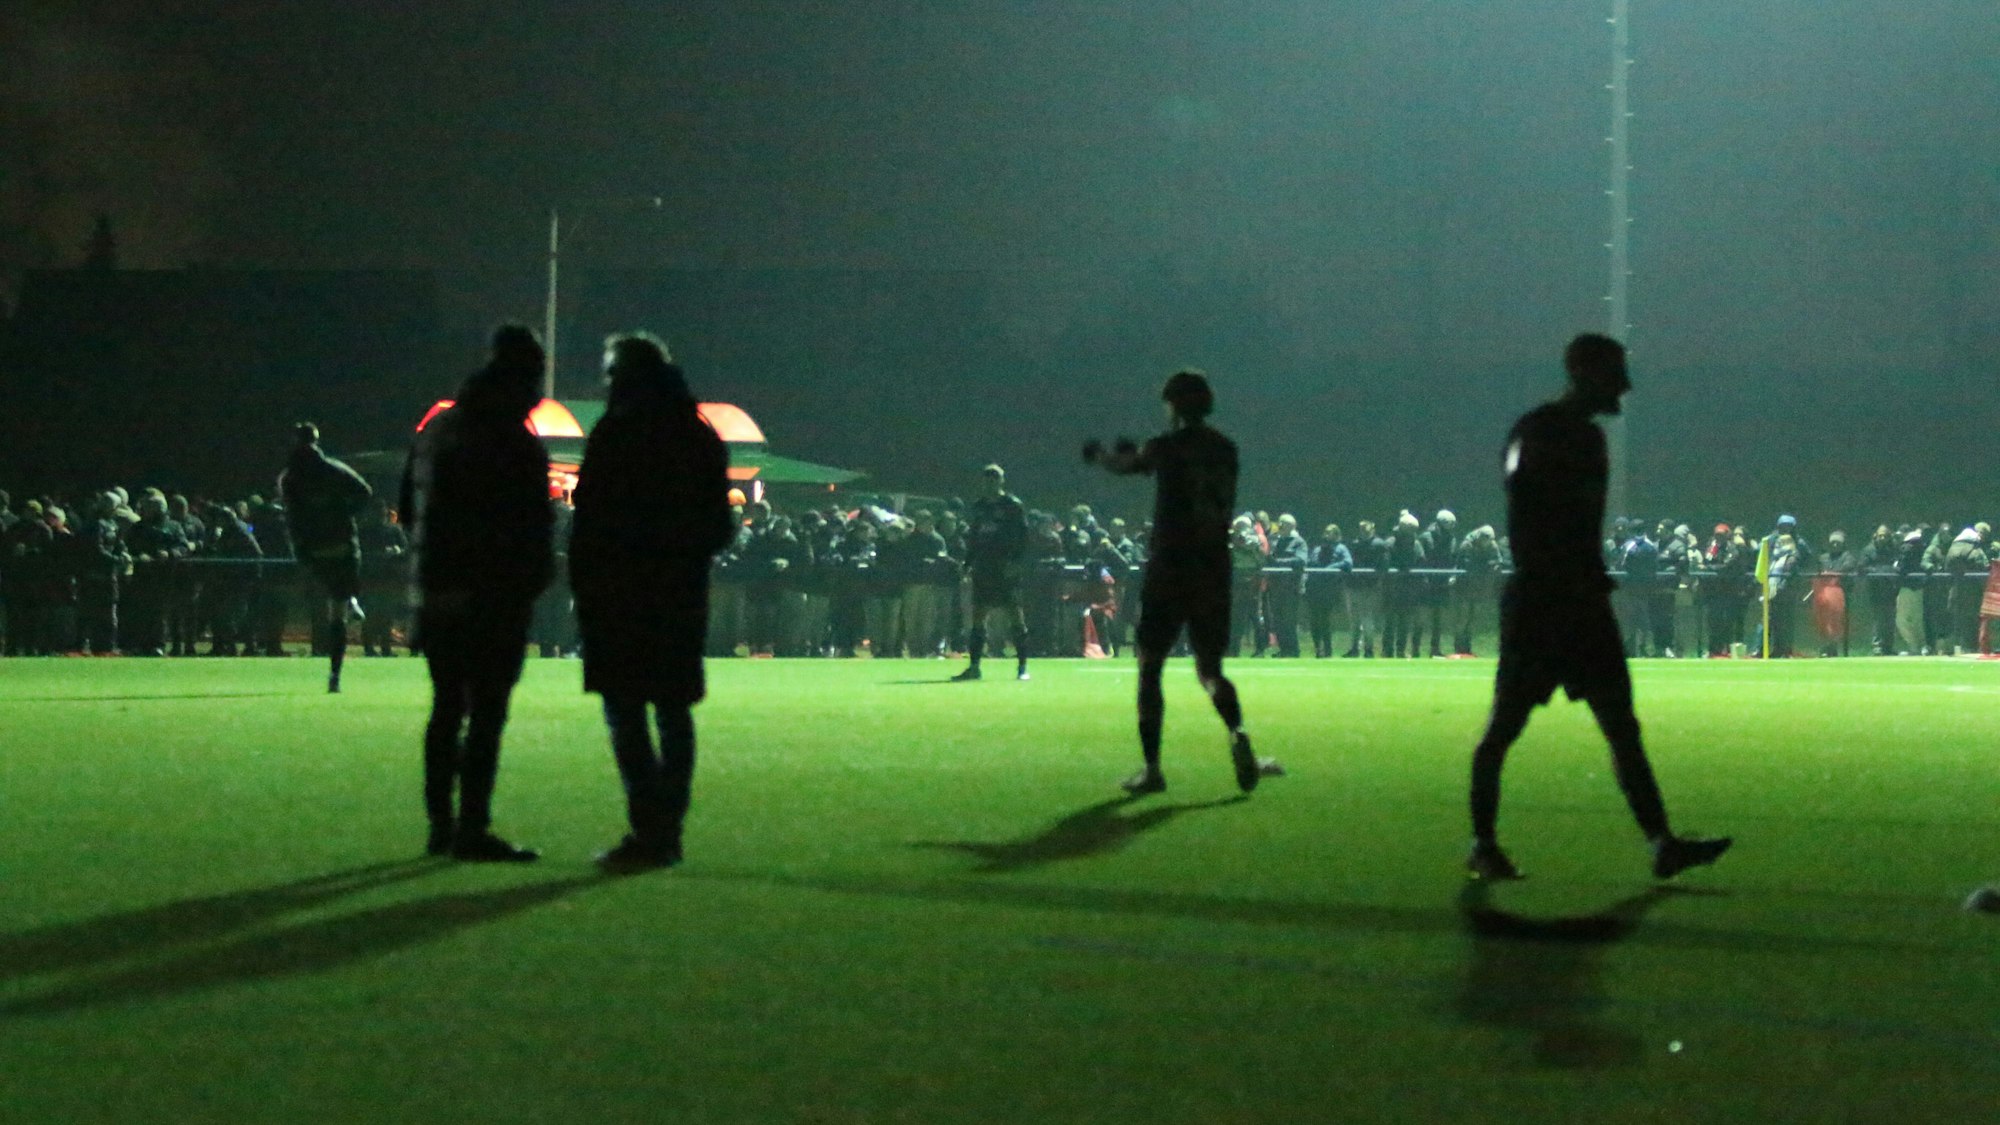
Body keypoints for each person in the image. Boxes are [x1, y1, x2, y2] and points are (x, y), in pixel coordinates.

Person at [1466, 335, 1730, 882]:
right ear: (1586, 373)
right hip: (1551, 603)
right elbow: (1534, 513)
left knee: (1616, 727)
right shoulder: (1550, 433)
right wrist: (1555, 573)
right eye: (1617, 374)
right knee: (1508, 729)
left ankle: (1661, 841)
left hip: (1574, 600)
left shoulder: (1553, 433)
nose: (1626, 386)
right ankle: (1484, 843)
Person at [570, 332, 736, 872]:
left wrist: (589, 583)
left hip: (620, 593)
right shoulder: (697, 434)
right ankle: (667, 832)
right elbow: (718, 527)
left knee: (627, 713)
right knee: (671, 712)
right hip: (678, 593)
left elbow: (588, 521)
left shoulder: (615, 432)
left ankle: (649, 829)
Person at [1084, 369, 1280, 794]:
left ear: (1174, 405)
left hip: (1171, 566)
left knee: (1150, 665)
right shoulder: (1226, 449)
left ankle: (1153, 769)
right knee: (1210, 669)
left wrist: (1102, 454)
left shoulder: (1166, 446)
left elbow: (1129, 464)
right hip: (1212, 566)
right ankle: (1238, 733)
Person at [399, 325, 554, 862]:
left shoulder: (438, 429)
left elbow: (410, 508)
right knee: (486, 713)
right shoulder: (514, 438)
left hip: (437, 590)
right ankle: (473, 826)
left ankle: (441, 825)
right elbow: (532, 525)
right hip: (495, 595)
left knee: (446, 709)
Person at [280, 422, 374, 691]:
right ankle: (335, 675)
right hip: (342, 546)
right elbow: (365, 493)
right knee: (337, 612)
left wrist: (300, 547)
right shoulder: (332, 469)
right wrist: (344, 513)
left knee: (331, 606)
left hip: (314, 549)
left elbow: (291, 518)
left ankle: (349, 599)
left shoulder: (289, 478)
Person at [953, 464, 1032, 681]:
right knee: (978, 615)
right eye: (987, 479)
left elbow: (1024, 537)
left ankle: (1023, 667)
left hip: (1005, 567)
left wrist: (1015, 562)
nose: (991, 482)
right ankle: (974, 666)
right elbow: (974, 537)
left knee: (1015, 615)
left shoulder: (1012, 505)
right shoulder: (978, 507)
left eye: (995, 478)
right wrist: (968, 563)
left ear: (1002, 481)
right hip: (984, 567)